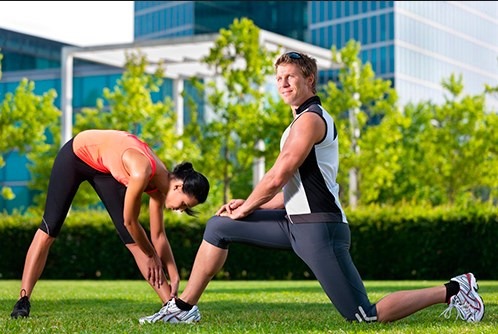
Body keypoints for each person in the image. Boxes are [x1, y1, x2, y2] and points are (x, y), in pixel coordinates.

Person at [138, 51, 484, 325]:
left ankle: (455, 288)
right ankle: (183, 307)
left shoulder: (311, 119)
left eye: (290, 77)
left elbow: (280, 173)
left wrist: (247, 209)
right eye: (278, 78)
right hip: (294, 223)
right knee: (218, 227)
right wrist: (251, 206)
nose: (284, 83)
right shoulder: (297, 122)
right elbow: (291, 191)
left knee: (363, 315)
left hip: (321, 228)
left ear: (309, 79)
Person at [10, 129, 210, 319]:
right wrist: (151, 255)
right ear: (178, 186)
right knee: (50, 228)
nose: (180, 209)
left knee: (135, 241)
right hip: (75, 154)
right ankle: (23, 299)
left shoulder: (159, 190)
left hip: (103, 169)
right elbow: (130, 221)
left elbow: (158, 236)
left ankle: (170, 307)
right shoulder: (142, 172)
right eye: (184, 204)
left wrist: (174, 274)